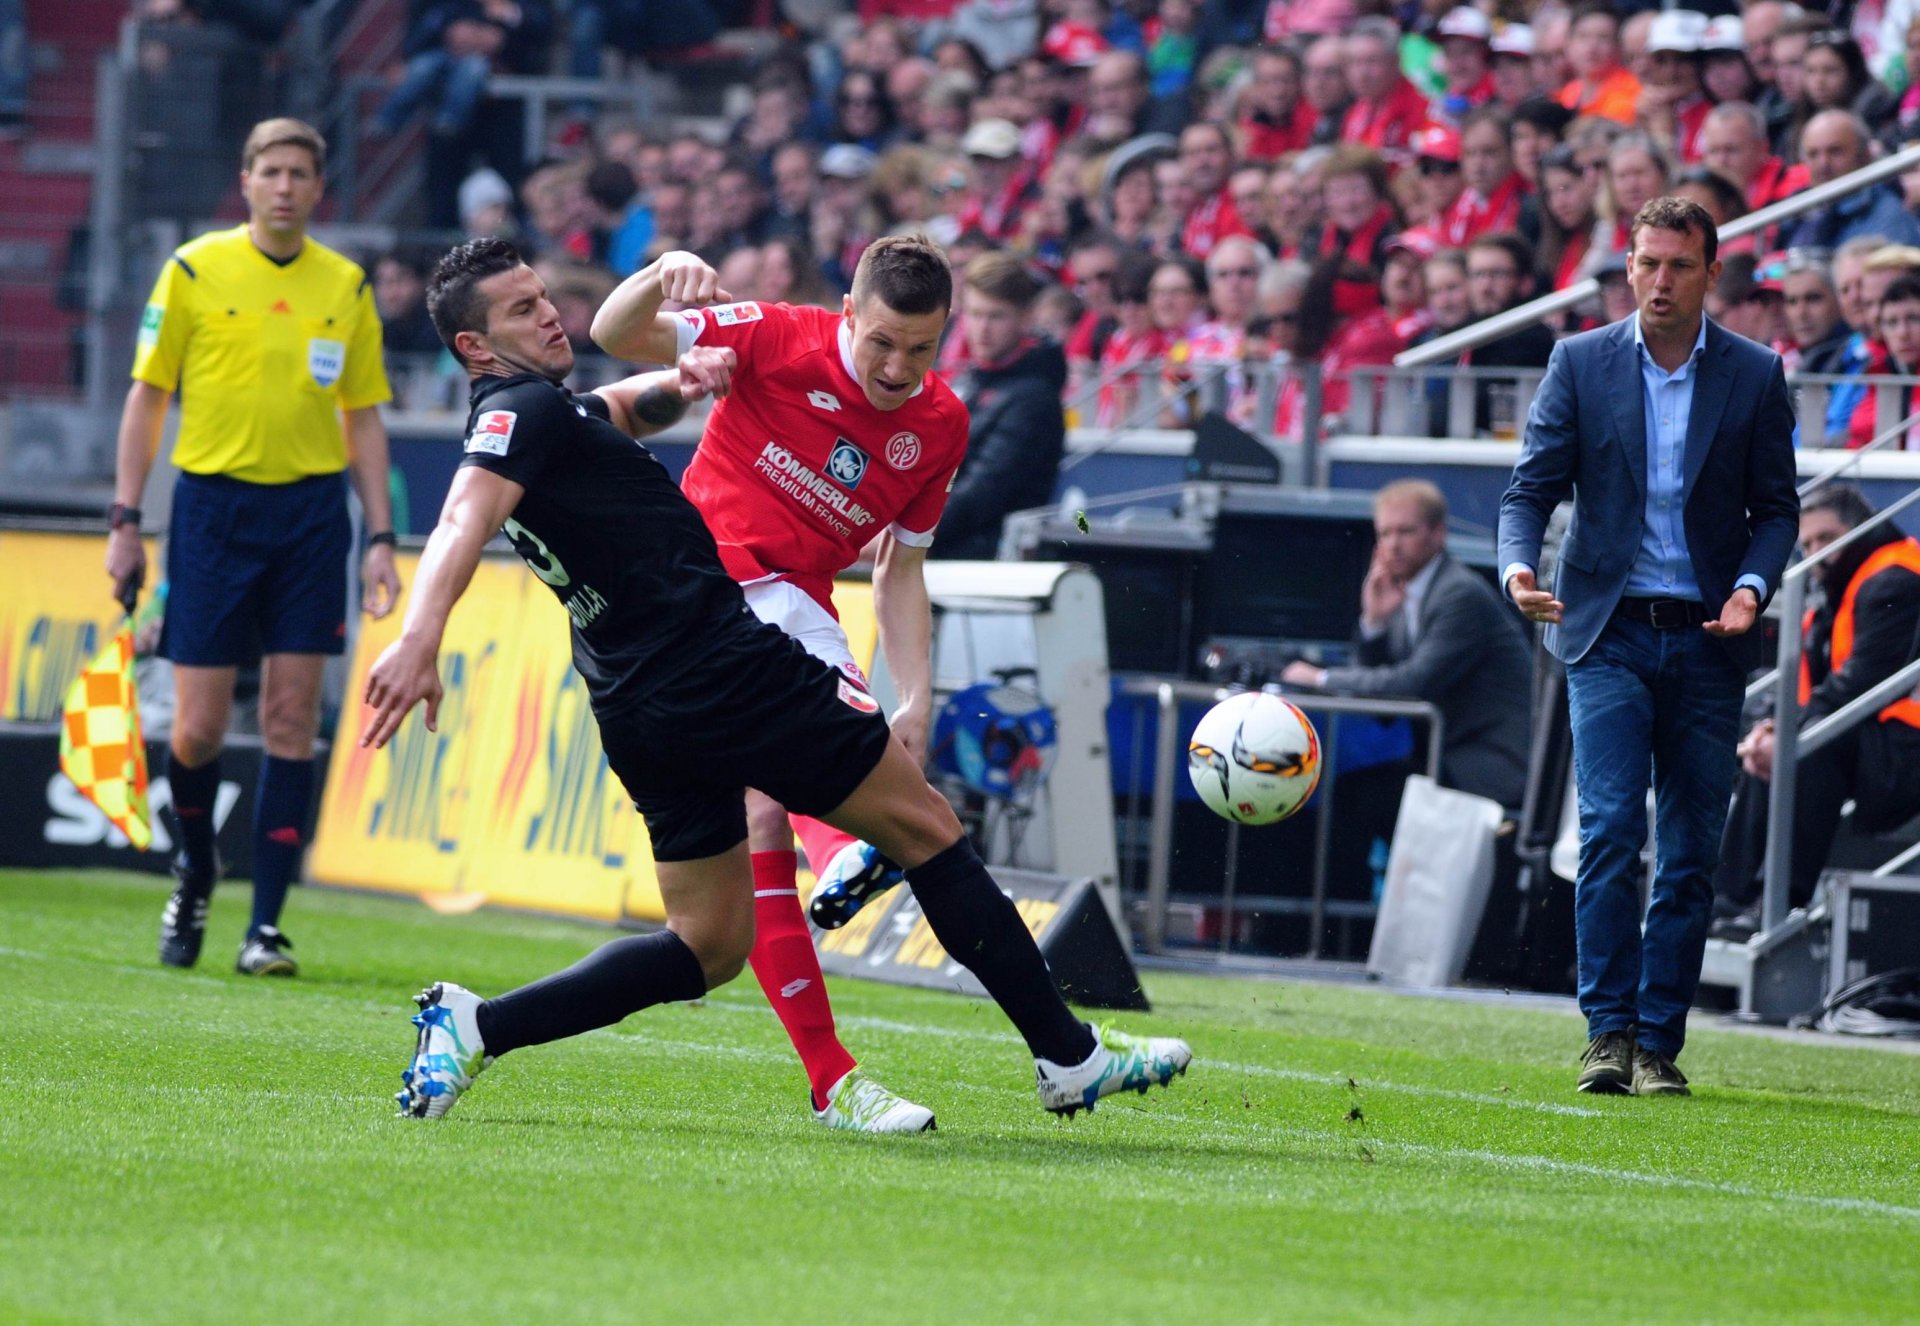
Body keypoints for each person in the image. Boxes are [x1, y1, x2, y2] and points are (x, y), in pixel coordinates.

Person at [372, 237, 1192, 1122]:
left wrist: (683, 387)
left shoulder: (549, 417)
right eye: (523, 310)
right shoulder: (519, 417)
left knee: (708, 944)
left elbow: (615, 409)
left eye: (544, 296)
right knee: (923, 824)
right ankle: (1066, 1055)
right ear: (475, 348)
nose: (550, 313)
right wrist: (420, 636)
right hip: (715, 657)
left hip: (635, 696)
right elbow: (463, 514)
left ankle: (477, 1027)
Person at [1498, 195, 1799, 1097]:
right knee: (1611, 829)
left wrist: (1751, 591)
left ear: (1712, 272)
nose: (1660, 280)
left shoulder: (1753, 373)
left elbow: (1777, 512)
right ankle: (1606, 1033)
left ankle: (1658, 1042)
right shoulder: (1581, 362)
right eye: (1646, 263)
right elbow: (1528, 492)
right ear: (1627, 267)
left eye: (1678, 265)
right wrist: (1516, 570)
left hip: (1709, 637)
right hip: (1608, 631)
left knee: (1691, 849)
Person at [109, 118, 400, 977]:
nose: (284, 186)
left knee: (287, 718)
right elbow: (145, 396)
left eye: (299, 173)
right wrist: (125, 521)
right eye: (270, 171)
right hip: (211, 514)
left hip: (311, 519)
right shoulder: (195, 269)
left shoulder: (344, 285)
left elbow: (366, 417)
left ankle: (265, 927)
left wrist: (380, 536)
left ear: (318, 188)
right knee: (196, 730)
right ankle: (196, 867)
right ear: (246, 181)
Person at [1712, 483, 1920, 938]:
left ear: (1858, 530)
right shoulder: (1836, 589)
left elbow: (1863, 682)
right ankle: (1725, 899)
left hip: (1906, 753)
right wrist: (1771, 728)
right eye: (1807, 544)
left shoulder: (1897, 579)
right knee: (1771, 750)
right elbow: (1807, 687)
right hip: (1876, 744)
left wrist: (1789, 732)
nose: (1816, 553)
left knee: (1814, 745)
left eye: (1826, 539)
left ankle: (1779, 906)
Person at [1281, 480, 1533, 808]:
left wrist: (1319, 678)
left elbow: (1413, 683)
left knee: (1357, 797)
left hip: (1492, 763)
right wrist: (1375, 622)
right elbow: (1384, 711)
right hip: (1449, 756)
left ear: (1438, 534)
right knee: (1346, 790)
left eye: (1405, 532)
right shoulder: (1405, 594)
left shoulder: (1458, 593)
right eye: (1385, 534)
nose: (1393, 545)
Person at [939, 252, 1068, 559]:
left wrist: (893, 540)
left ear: (1025, 318)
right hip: (940, 550)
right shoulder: (970, 381)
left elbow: (978, 498)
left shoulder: (1035, 399)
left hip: (984, 562)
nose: (981, 328)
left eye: (996, 316)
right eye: (974, 314)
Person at [1785, 111, 1920, 250]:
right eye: (1813, 154)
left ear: (1864, 156)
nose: (1823, 164)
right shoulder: (1797, 214)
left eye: (1835, 151)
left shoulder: (1889, 216)